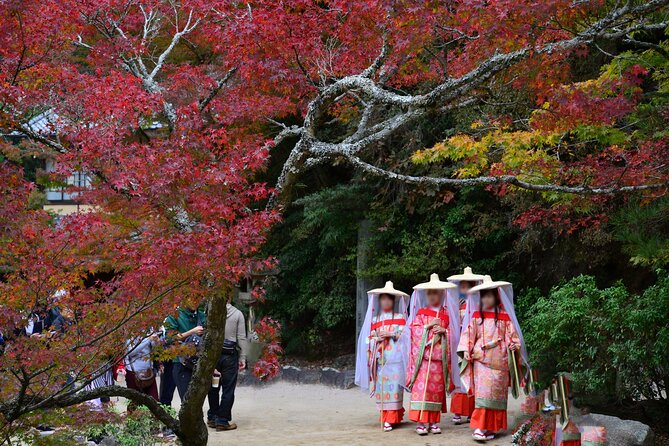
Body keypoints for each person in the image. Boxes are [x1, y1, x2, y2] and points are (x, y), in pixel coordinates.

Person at [457, 275, 529, 441]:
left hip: (501, 363)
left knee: (497, 397)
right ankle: (480, 427)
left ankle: (491, 428)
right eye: (484, 296)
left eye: (489, 296)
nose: (486, 299)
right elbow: (468, 334)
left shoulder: (504, 317)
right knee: (484, 396)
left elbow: (512, 337)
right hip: (481, 361)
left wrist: (514, 346)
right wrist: (466, 349)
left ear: (496, 297)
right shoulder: (476, 316)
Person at [404, 273, 459, 436]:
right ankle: (422, 421)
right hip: (424, 360)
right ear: (426, 295)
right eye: (430, 293)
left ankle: (434, 421)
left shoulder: (447, 315)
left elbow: (454, 334)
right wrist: (427, 327)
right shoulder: (421, 314)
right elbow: (414, 331)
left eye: (436, 292)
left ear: (442, 294)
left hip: (438, 361)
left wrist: (444, 331)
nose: (433, 296)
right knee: (422, 390)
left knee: (436, 392)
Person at [354, 281, 410, 432]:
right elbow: (368, 339)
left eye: (388, 298)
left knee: (394, 390)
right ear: (379, 301)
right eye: (383, 298)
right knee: (382, 390)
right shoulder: (375, 320)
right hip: (381, 360)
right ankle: (385, 417)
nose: (385, 301)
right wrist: (375, 340)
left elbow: (406, 337)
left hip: (395, 360)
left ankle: (393, 418)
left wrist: (392, 334)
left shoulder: (400, 317)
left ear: (393, 300)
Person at [447, 266, 484, 425]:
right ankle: (458, 411)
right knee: (458, 375)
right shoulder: (454, 304)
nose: (465, 288)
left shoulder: (480, 304)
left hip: (474, 343)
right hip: (458, 343)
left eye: (469, 285)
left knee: (473, 376)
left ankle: (471, 411)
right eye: (463, 285)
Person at [206, 299, 247, 431]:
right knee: (228, 389)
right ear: (230, 298)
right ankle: (222, 420)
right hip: (229, 356)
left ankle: (212, 417)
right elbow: (241, 338)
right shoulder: (238, 314)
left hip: (213, 355)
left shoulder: (211, 312)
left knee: (213, 387)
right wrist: (243, 358)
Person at [164, 304, 207, 399]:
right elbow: (170, 339)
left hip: (199, 363)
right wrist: (192, 332)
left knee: (198, 400)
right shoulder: (174, 315)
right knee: (187, 400)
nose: (195, 301)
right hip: (181, 362)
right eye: (191, 297)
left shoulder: (202, 315)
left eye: (198, 297)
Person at [125, 333, 160, 410]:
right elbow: (130, 352)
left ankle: (152, 421)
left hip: (148, 372)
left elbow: (155, 351)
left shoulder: (149, 330)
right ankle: (132, 421)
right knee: (134, 402)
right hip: (133, 372)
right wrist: (148, 340)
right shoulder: (130, 333)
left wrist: (156, 342)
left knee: (154, 402)